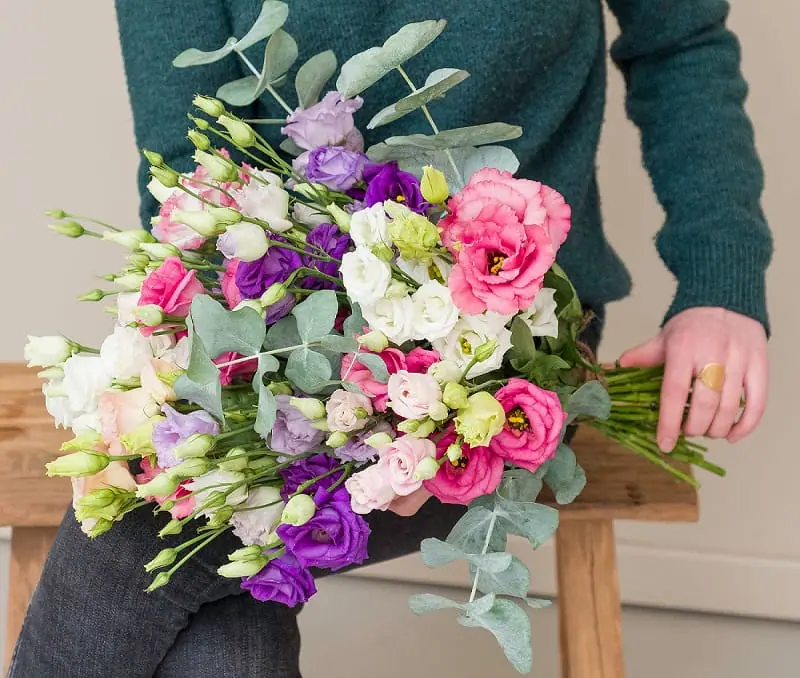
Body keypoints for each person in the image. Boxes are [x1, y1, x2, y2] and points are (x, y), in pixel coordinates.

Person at [8, 1, 771, 676]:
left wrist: (719, 285)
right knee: (211, 608)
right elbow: (193, 171)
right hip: (271, 335)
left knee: (139, 538)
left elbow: (681, 42)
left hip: (505, 351)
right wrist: (339, 386)